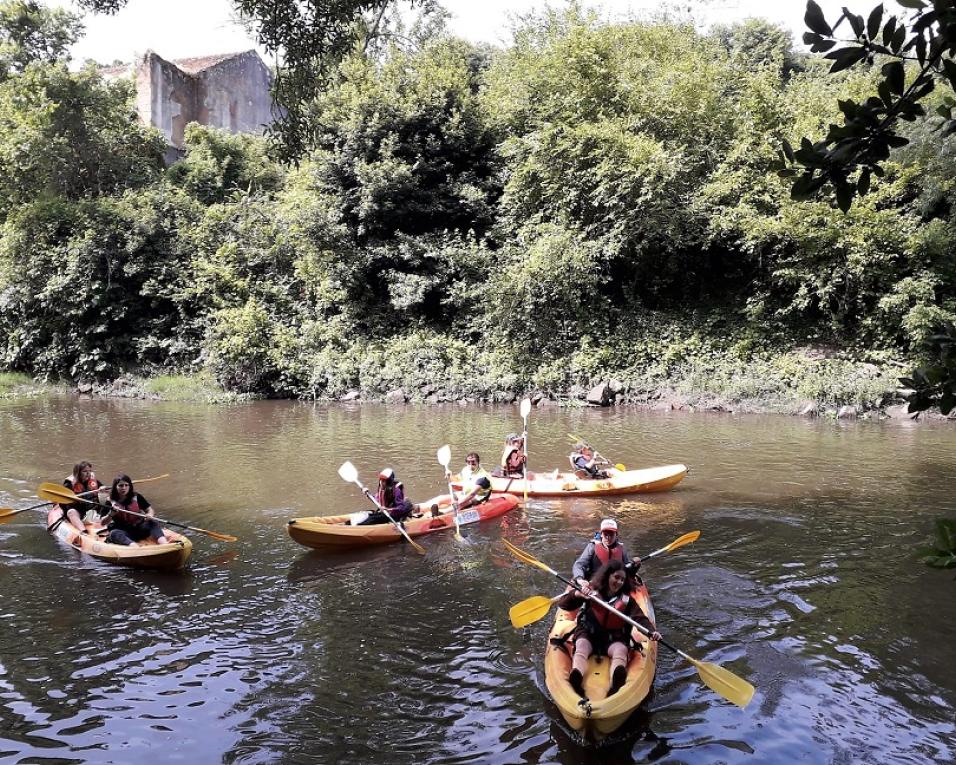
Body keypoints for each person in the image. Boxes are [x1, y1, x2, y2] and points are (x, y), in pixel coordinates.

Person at [556, 559, 661, 698]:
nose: (619, 582)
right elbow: (564, 605)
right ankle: (576, 674)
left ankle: (616, 680)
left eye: (622, 579)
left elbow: (639, 618)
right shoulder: (591, 592)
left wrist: (651, 632)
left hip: (613, 638)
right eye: (616, 577)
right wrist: (577, 594)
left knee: (621, 651)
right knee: (581, 646)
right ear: (607, 576)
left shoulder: (627, 600)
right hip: (589, 634)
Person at [572, 518, 640, 592]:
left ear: (616, 535)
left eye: (611, 534)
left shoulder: (621, 548)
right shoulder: (592, 547)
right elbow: (579, 565)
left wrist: (635, 566)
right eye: (605, 534)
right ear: (601, 534)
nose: (608, 537)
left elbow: (627, 570)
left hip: (616, 583)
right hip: (595, 583)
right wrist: (580, 579)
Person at [105, 475, 171, 546]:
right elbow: (103, 522)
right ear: (115, 487)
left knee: (153, 522)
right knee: (114, 533)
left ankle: (164, 543)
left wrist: (150, 514)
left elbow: (149, 509)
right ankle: (134, 546)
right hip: (125, 532)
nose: (124, 488)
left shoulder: (136, 497)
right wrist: (111, 514)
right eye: (121, 485)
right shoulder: (110, 502)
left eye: (126, 485)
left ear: (130, 486)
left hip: (140, 529)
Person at [61, 461, 108, 533]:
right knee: (71, 512)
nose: (88, 473)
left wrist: (103, 488)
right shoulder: (69, 484)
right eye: (85, 471)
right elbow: (62, 503)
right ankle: (83, 532)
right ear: (78, 473)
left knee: (108, 500)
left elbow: (101, 486)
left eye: (89, 471)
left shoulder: (93, 481)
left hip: (94, 509)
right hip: (79, 511)